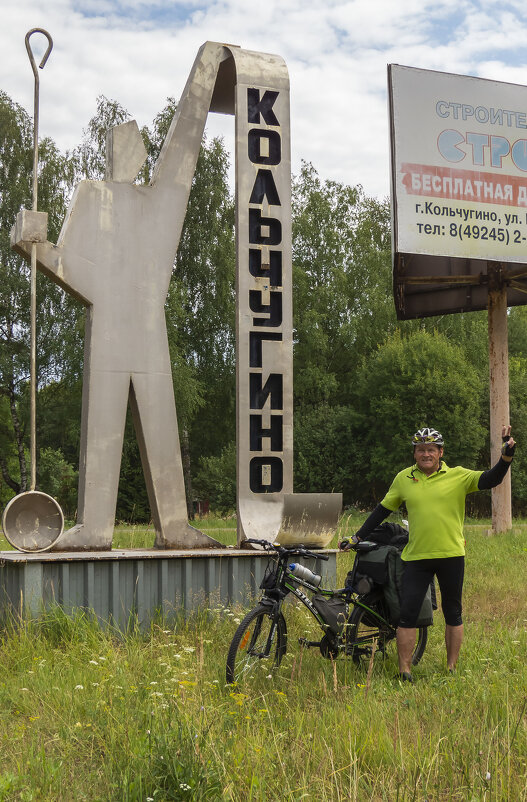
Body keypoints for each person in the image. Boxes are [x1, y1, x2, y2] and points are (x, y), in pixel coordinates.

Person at [340, 425, 516, 681]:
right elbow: (382, 511)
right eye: (420, 449)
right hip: (416, 558)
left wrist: (506, 456)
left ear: (440, 452)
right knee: (406, 614)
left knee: (453, 612)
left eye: (430, 449)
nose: (425, 454)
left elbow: (492, 479)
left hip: (451, 555)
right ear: (414, 454)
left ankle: (451, 668)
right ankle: (405, 670)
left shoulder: (458, 476)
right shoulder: (403, 479)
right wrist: (357, 536)